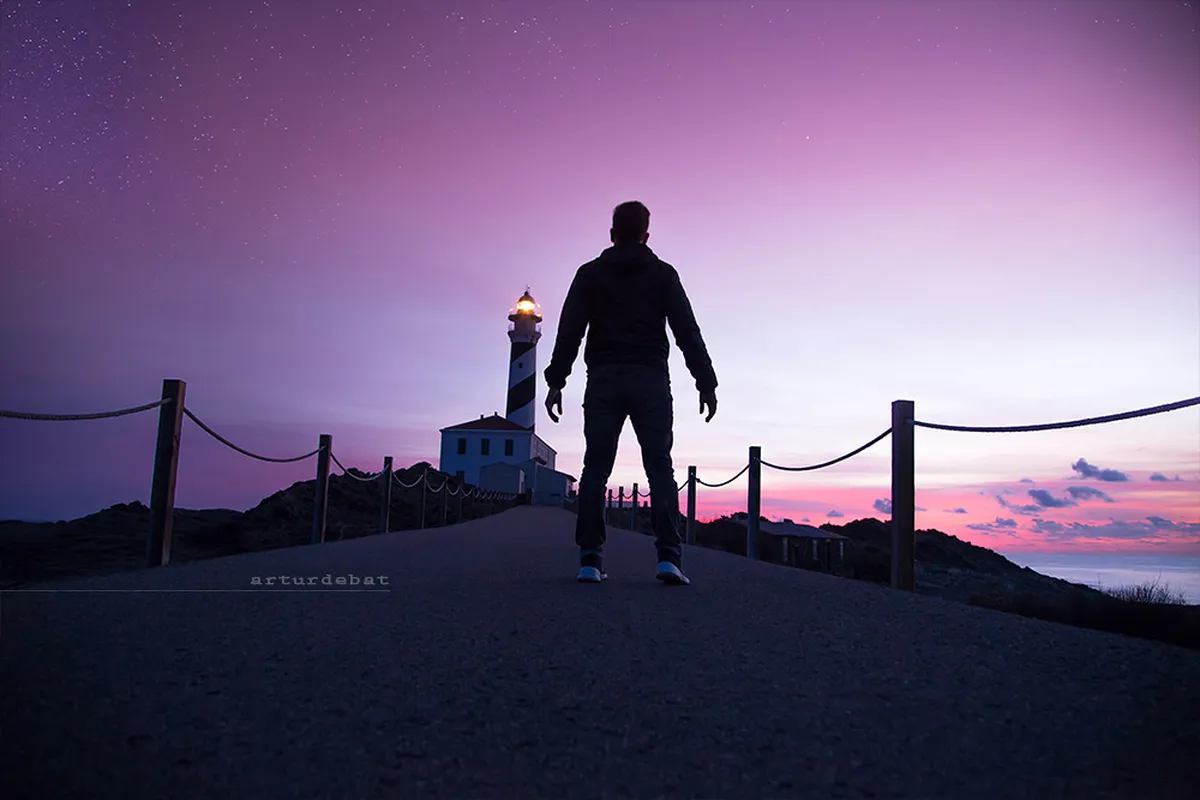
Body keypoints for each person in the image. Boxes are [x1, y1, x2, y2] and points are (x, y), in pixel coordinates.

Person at [543, 201, 718, 585]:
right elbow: (687, 331)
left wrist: (557, 380)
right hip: (650, 380)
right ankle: (669, 558)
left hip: (604, 379)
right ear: (646, 235)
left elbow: (570, 330)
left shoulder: (589, 275)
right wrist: (706, 381)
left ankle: (590, 560)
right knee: (660, 467)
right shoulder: (663, 275)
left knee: (595, 468)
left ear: (611, 233)